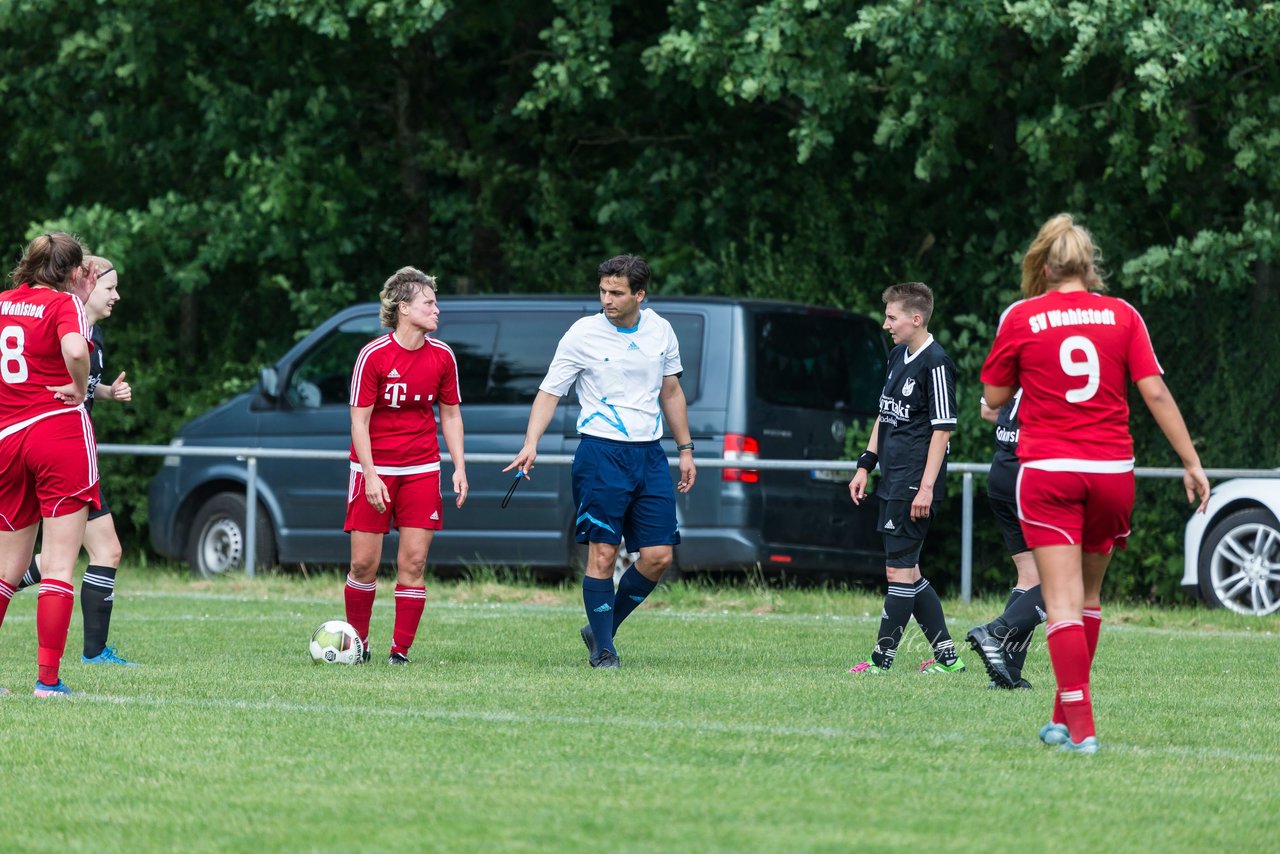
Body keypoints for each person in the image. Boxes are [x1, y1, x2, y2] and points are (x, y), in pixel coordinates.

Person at [981, 213, 1210, 754]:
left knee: (1058, 602)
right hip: (1111, 475)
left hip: (1049, 474)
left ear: (1041, 263)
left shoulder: (1022, 316)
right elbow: (1154, 392)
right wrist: (1191, 461)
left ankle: (1082, 732)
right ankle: (1062, 718)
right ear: (1090, 265)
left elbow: (992, 399)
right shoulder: (1122, 315)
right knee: (1087, 598)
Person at [505, 254, 696, 669]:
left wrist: (685, 450)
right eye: (603, 291)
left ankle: (601, 629)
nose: (607, 299)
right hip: (600, 454)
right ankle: (604, 652)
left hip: (649, 455)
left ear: (639, 295)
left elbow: (672, 392)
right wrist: (530, 442)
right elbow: (549, 393)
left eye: (617, 292)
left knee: (659, 555)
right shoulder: (582, 335)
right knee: (603, 555)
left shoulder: (661, 330)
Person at [342, 267, 467, 665]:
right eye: (428, 303)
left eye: (435, 302)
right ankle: (357, 646)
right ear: (403, 308)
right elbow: (358, 421)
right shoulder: (373, 355)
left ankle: (400, 653)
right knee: (364, 564)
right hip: (372, 471)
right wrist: (373, 476)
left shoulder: (443, 356)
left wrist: (459, 466)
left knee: (413, 562)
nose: (436, 310)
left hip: (422, 469)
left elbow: (450, 415)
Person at [18, 256, 139, 666]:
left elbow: (79, 388)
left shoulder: (92, 334)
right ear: (83, 284)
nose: (117, 296)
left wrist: (107, 393)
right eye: (110, 288)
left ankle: (94, 651)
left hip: (63, 454)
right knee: (90, 553)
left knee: (96, 551)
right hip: (59, 454)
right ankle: (88, 656)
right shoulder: (60, 325)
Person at [848, 282, 965, 676]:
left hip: (915, 483)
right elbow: (886, 412)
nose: (886, 325)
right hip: (892, 480)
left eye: (892, 317)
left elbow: (943, 430)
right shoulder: (898, 356)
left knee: (898, 572)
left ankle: (881, 661)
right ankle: (949, 658)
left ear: (916, 319)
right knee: (909, 573)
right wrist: (866, 462)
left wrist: (927, 487)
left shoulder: (937, 363)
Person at [0, 232, 99, 697]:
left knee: (6, 570)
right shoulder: (64, 305)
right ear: (75, 271)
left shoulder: (2, 303)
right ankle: (47, 680)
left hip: (7, 439)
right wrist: (79, 389)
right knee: (58, 564)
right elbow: (77, 351)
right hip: (56, 432)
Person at [965, 389, 1044, 689]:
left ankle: (1007, 672)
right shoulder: (1055, 354)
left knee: (1030, 575)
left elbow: (987, 410)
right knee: (1064, 579)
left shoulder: (1012, 354)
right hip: (1030, 476)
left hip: (1000, 472)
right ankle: (995, 632)